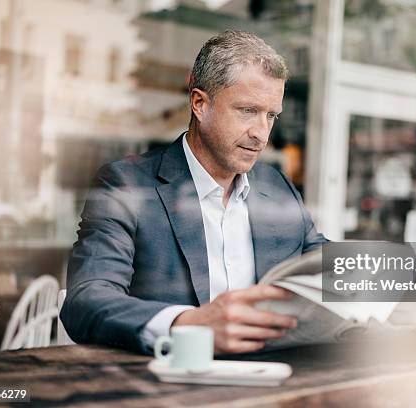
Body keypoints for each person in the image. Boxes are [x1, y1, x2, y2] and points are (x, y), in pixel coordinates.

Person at [60, 30, 327, 355]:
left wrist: (399, 274)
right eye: (247, 110)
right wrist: (190, 325)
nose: (261, 134)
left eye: (271, 116)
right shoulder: (128, 185)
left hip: (270, 384)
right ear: (200, 103)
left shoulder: (277, 187)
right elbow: (86, 300)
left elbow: (326, 263)